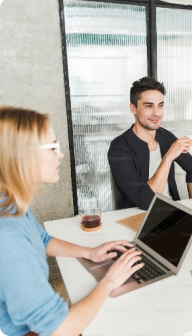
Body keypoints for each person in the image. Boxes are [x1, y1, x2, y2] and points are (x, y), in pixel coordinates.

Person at [0, 106, 144, 336]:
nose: (61, 154)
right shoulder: (8, 234)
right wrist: (109, 281)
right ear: (23, 156)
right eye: (53, 147)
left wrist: (89, 252)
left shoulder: (9, 203)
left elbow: (43, 239)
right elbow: (62, 329)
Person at [108, 77, 192, 210]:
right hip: (137, 217)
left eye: (160, 105)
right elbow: (146, 202)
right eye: (148, 106)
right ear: (133, 108)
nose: (156, 113)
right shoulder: (119, 148)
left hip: (172, 213)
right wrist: (168, 157)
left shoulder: (165, 136)